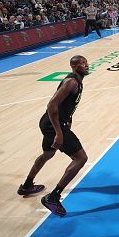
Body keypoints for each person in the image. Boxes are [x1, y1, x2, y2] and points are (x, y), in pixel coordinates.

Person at [17, 55, 89, 216]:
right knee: (81, 158)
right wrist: (58, 132)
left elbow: (67, 105)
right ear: (74, 66)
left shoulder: (78, 80)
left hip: (52, 123)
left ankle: (27, 185)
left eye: (86, 62)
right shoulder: (71, 82)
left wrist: (69, 120)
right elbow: (51, 105)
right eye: (81, 63)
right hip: (53, 125)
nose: (85, 65)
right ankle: (53, 197)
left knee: (47, 154)